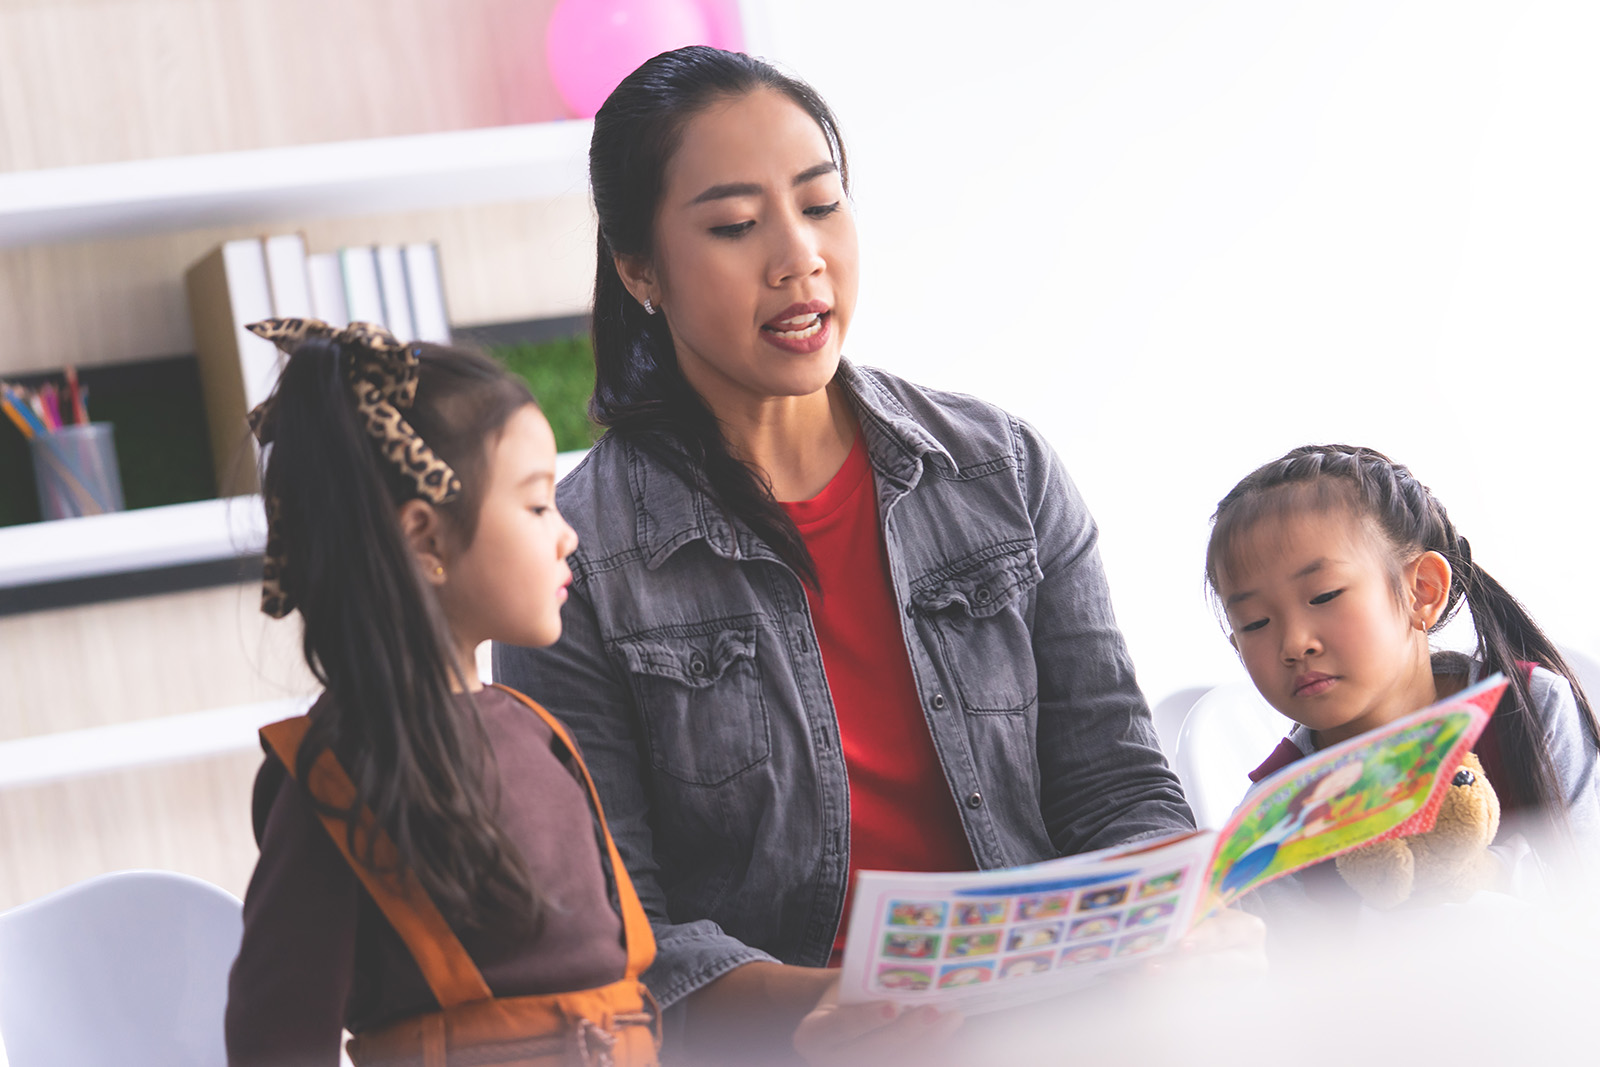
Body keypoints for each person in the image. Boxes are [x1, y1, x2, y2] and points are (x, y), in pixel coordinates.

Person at [493, 46, 1228, 1061]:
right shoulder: (576, 560)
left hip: (1063, 1027)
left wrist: (1170, 911)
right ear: (638, 269)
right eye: (735, 226)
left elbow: (1113, 780)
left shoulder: (999, 469)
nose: (798, 258)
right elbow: (619, 930)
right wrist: (834, 1007)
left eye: (821, 204)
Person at [224, 319, 660, 1066]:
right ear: (425, 538)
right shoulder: (330, 781)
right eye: (536, 506)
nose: (568, 536)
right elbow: (276, 1038)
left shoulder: (538, 730)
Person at [1205, 443, 1600, 906]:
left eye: (1324, 595)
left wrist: (1482, 873)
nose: (1294, 644)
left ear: (1422, 592)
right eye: (1254, 623)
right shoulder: (1274, 812)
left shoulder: (1529, 709)